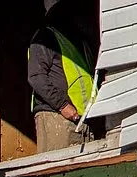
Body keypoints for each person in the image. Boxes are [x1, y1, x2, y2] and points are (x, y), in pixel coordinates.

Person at [28, 0, 97, 153]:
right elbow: (36, 76)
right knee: (58, 172)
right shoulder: (45, 37)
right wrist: (63, 105)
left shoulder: (79, 42)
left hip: (81, 120)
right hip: (58, 116)